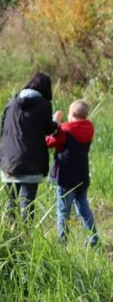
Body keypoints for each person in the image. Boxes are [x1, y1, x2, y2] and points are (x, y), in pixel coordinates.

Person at [0, 71, 59, 219]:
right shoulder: (44, 106)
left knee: (10, 200)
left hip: (9, 160)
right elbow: (49, 129)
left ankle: (8, 235)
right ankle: (26, 236)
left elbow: (2, 129)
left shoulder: (11, 104)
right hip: (32, 160)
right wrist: (56, 122)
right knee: (28, 201)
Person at [48, 99, 98, 246]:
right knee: (83, 208)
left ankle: (62, 242)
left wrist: (55, 121)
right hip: (82, 177)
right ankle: (93, 239)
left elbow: (48, 142)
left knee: (63, 211)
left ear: (72, 114)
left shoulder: (64, 130)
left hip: (66, 178)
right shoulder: (89, 129)